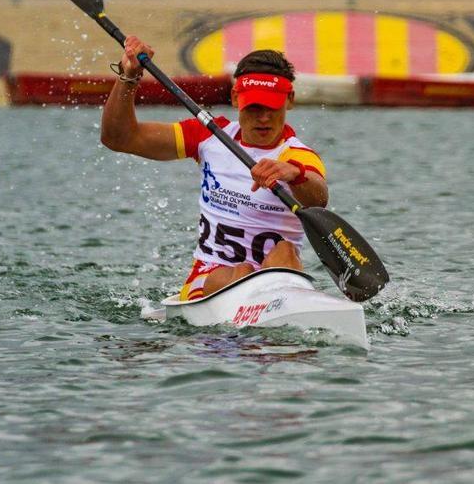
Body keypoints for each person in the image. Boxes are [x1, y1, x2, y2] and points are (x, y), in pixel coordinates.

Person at [100, 36, 328, 301]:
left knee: (286, 251)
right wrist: (129, 78)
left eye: (272, 106)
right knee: (241, 271)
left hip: (276, 279)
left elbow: (319, 199)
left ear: (290, 100)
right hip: (209, 278)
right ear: (235, 98)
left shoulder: (298, 156)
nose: (264, 117)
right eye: (254, 106)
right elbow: (118, 138)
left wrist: (295, 175)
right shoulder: (209, 136)